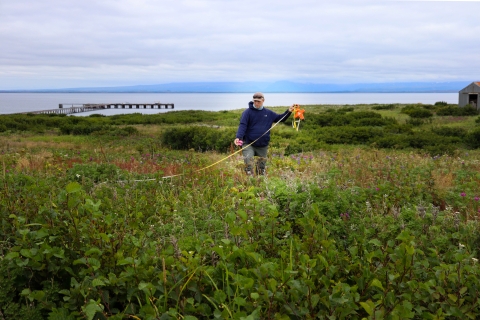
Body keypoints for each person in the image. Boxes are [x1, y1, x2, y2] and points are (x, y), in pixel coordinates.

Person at [234, 92, 295, 175]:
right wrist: (238, 137)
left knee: (261, 168)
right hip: (248, 143)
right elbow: (242, 125)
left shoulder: (269, 113)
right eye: (255, 101)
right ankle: (249, 183)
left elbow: (280, 118)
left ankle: (260, 184)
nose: (256, 103)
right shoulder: (247, 112)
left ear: (263, 100)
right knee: (249, 164)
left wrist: (289, 111)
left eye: (258, 101)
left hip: (263, 145)